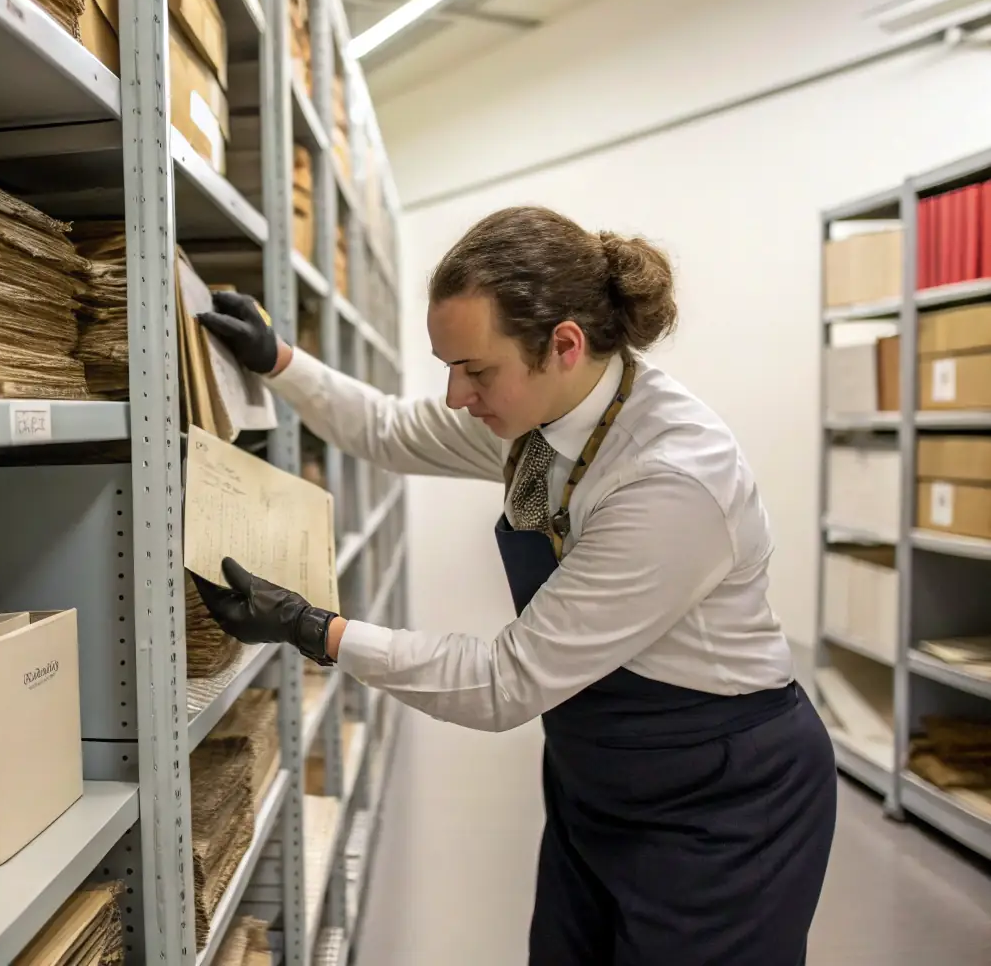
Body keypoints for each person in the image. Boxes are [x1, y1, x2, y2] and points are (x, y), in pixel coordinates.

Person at [195, 205, 836, 966]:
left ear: (563, 344)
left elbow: (506, 682)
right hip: (596, 769)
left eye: (475, 370)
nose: (455, 395)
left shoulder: (670, 478)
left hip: (720, 794)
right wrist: (277, 361)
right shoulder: (543, 414)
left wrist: (315, 630)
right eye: (448, 367)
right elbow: (392, 431)